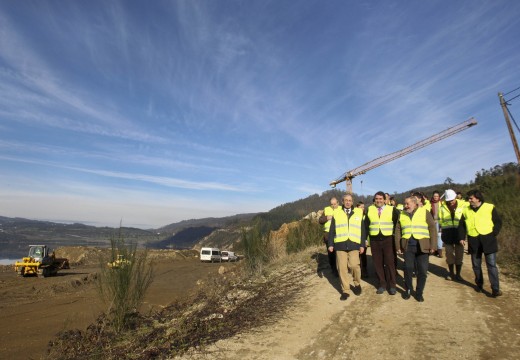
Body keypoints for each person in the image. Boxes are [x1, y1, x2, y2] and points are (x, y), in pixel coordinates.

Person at [458, 189, 503, 297]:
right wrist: (462, 238)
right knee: (476, 265)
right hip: (473, 240)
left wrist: (494, 233)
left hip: (488, 239)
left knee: (491, 265)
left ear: (478, 198)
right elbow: (461, 225)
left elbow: (498, 222)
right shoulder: (465, 210)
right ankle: (479, 284)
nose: (469, 200)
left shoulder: (489, 207)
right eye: (468, 198)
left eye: (471, 198)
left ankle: (495, 289)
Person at [395, 196, 437, 302]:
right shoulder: (402, 214)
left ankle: (419, 292)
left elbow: (432, 228)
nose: (406, 206)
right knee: (408, 269)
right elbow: (398, 230)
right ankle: (408, 289)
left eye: (407, 204)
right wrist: (398, 246)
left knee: (422, 271)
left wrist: (433, 245)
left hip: (423, 247)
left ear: (414, 203)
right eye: (405, 204)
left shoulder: (425, 212)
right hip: (408, 246)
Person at [328, 194, 367, 300]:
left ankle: (357, 283)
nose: (348, 202)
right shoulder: (337, 213)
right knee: (342, 268)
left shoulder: (359, 212)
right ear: (342, 202)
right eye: (346, 200)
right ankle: (345, 290)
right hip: (340, 244)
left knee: (354, 266)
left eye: (350, 200)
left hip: (354, 243)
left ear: (352, 202)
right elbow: (332, 230)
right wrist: (330, 244)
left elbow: (362, 230)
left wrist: (362, 245)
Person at [365, 191, 400, 295]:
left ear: (385, 200)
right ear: (374, 200)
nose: (378, 201)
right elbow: (366, 225)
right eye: (376, 199)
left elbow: (396, 224)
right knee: (377, 263)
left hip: (388, 239)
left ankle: (392, 285)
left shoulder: (392, 209)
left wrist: (396, 238)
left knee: (390, 263)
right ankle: (382, 284)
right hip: (374, 240)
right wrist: (365, 239)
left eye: (380, 199)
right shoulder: (370, 209)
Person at [439, 189, 466, 281]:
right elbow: (440, 220)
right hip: (447, 234)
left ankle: (458, 274)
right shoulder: (442, 208)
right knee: (449, 254)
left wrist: (463, 234)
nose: (450, 202)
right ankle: (451, 273)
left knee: (459, 254)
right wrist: (442, 230)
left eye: (452, 200)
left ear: (455, 197)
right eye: (448, 201)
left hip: (459, 234)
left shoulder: (463, 205)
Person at [319, 197, 340, 277]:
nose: (333, 206)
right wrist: (327, 218)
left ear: (338, 203)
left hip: (340, 234)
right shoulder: (326, 209)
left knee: (341, 252)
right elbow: (320, 220)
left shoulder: (342, 209)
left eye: (335, 204)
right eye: (332, 204)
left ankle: (343, 268)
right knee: (331, 253)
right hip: (328, 235)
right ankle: (334, 270)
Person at [356, 201, 369, 278]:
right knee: (356, 255)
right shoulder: (354, 216)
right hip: (355, 238)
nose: (362, 208)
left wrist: (366, 240)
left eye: (363, 207)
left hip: (363, 238)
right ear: (357, 207)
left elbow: (366, 229)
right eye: (361, 207)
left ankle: (364, 269)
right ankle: (358, 270)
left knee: (363, 254)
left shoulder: (365, 216)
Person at [430, 190, 443, 258]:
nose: (436, 197)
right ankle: (434, 249)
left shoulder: (442, 203)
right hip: (432, 221)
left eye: (437, 196)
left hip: (440, 221)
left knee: (439, 236)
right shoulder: (430, 203)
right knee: (433, 235)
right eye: (434, 196)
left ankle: (440, 250)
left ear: (439, 197)